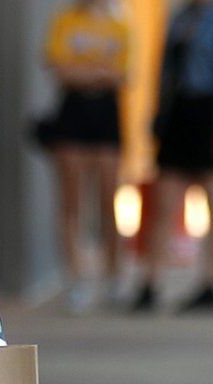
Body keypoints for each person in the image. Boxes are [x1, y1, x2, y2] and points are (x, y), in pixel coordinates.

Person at [133, 0, 213, 313]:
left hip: (211, 114)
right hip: (181, 113)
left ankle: (212, 282)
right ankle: (150, 282)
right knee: (164, 202)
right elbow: (164, 71)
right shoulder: (180, 19)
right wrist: (159, 116)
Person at [41, 0, 130, 312]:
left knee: (109, 199)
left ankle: (114, 275)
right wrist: (97, 71)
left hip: (106, 115)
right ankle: (76, 278)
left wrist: (84, 70)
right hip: (73, 113)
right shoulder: (65, 21)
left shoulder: (120, 23)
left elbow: (123, 73)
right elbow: (59, 68)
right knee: (71, 202)